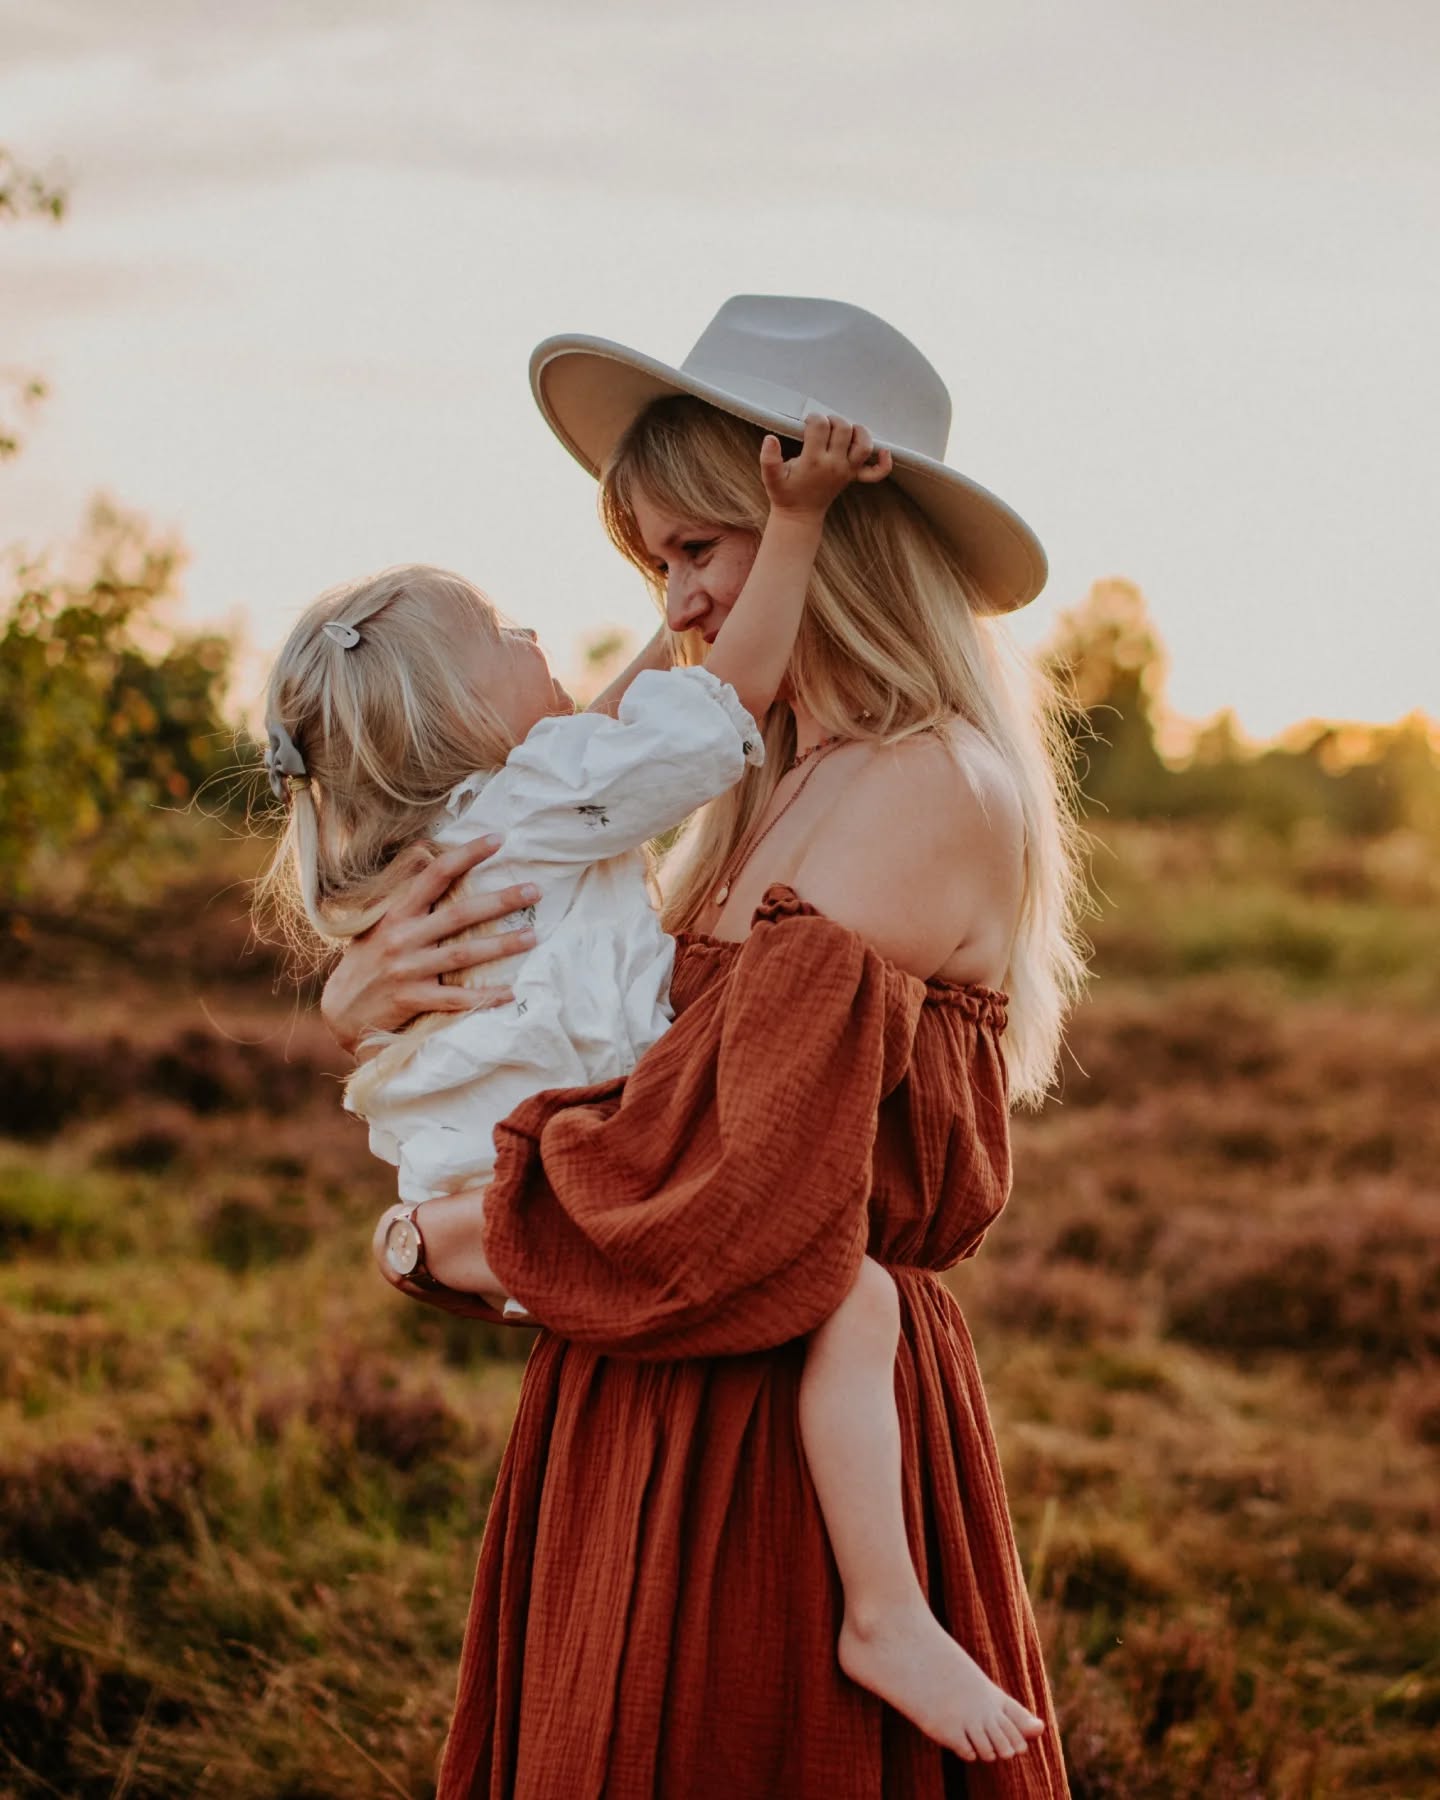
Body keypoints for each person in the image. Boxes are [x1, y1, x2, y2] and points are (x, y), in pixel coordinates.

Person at [321, 296, 1086, 1797]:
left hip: (775, 1447)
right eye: (656, 562)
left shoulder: (921, 789)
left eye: (698, 551)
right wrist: (374, 1012)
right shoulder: (757, 793)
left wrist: (427, 1239)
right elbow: (602, 1113)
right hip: (648, 1393)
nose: (676, 609)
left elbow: (713, 1200)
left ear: (826, 534)